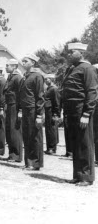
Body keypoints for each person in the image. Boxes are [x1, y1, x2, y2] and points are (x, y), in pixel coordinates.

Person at [62, 42, 97, 186]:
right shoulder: (72, 69)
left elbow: (92, 92)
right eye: (68, 53)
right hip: (71, 110)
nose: (69, 55)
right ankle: (78, 174)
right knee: (75, 144)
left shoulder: (87, 68)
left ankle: (86, 177)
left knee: (84, 143)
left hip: (81, 109)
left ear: (81, 53)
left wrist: (87, 113)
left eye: (72, 52)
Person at [18, 54, 44, 171]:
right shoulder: (25, 77)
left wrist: (39, 114)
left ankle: (36, 163)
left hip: (33, 110)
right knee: (27, 136)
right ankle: (28, 162)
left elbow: (40, 96)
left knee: (35, 136)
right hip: (26, 109)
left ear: (33, 63)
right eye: (23, 61)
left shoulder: (37, 76)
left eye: (26, 61)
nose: (23, 63)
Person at [4, 59, 23, 162]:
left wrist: (20, 110)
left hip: (15, 106)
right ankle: (12, 153)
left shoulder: (17, 78)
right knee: (9, 131)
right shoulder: (10, 77)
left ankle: (17, 155)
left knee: (15, 131)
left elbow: (21, 95)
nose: (6, 67)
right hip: (10, 105)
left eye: (8, 65)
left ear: (14, 66)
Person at [43, 74, 61, 155]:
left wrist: (56, 114)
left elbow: (57, 102)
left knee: (52, 130)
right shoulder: (48, 88)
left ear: (52, 79)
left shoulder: (54, 89)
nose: (46, 80)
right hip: (47, 111)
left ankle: (52, 148)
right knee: (48, 130)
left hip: (52, 112)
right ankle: (49, 147)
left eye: (47, 79)